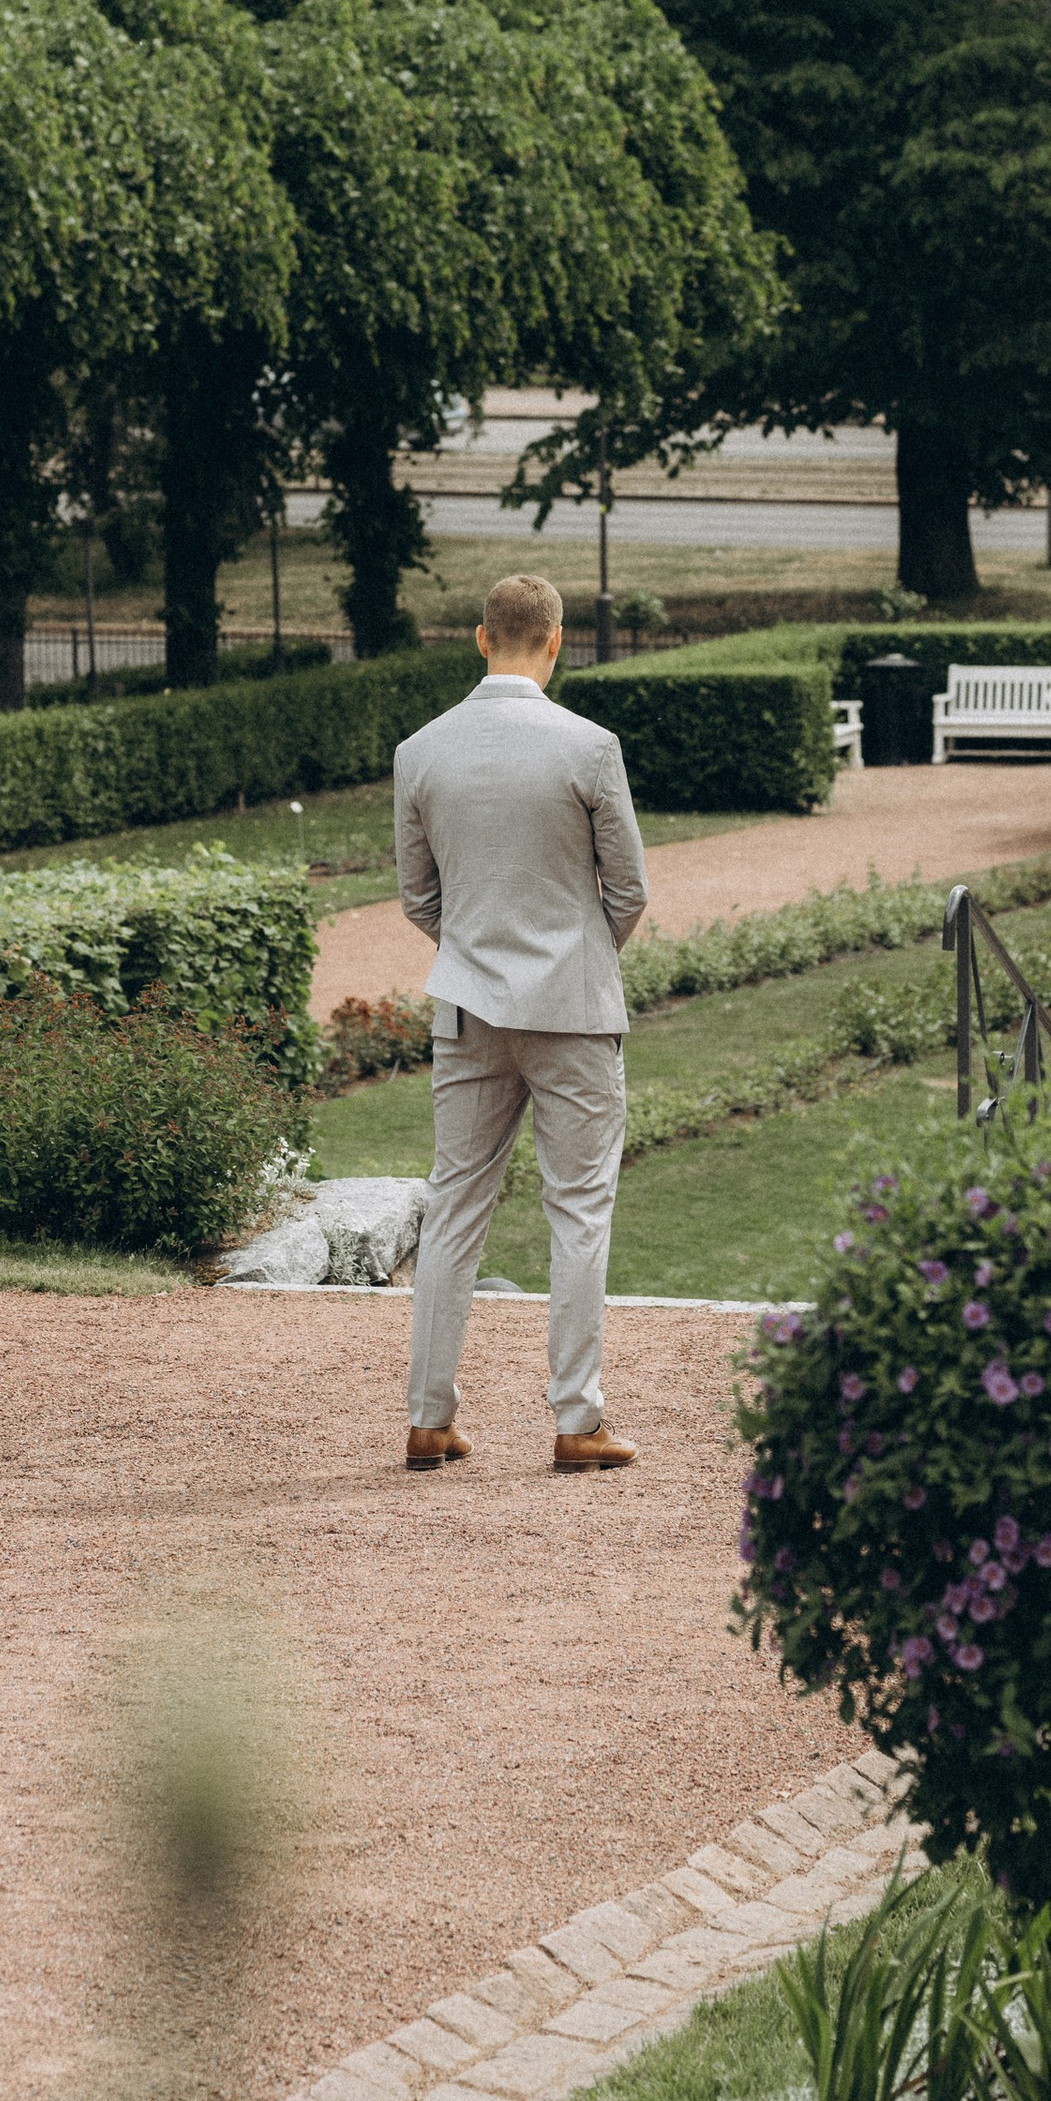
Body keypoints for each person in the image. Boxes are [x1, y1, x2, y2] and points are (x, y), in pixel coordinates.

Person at [392, 569, 648, 1473]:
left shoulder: (419, 750)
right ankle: (576, 1420)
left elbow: (417, 895)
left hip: (466, 1003)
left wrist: (472, 947)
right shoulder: (589, 746)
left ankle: (429, 1418)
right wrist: (580, 952)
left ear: (477, 637)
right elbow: (630, 889)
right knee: (577, 1211)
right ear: (556, 643)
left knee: (454, 1206)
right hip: (572, 1007)